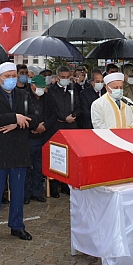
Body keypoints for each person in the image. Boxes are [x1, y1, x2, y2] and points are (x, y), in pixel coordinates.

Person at [0, 62, 38, 249]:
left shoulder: (24, 95)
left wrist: (18, 123)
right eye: (9, 76)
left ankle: (17, 225)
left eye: (15, 75)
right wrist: (15, 117)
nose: (13, 79)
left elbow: (34, 118)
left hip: (19, 152)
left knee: (18, 193)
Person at [47, 66, 80, 197]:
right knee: (57, 157)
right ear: (58, 77)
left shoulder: (73, 90)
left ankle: (66, 185)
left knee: (70, 157)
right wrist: (63, 117)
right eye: (63, 77)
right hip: (57, 127)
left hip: (72, 126)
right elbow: (52, 109)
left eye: (68, 77)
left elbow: (78, 105)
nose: (65, 80)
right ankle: (54, 187)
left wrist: (74, 115)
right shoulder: (52, 91)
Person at [25, 75, 54, 204]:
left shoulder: (47, 99)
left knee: (39, 166)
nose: (41, 90)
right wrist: (34, 126)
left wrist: (44, 126)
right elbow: (22, 115)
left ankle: (37, 192)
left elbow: (53, 115)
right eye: (39, 87)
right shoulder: (25, 97)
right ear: (32, 86)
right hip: (28, 137)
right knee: (27, 167)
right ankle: (26, 194)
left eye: (43, 87)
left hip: (43, 136)